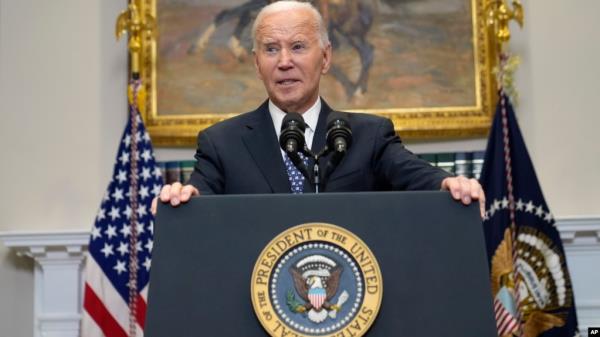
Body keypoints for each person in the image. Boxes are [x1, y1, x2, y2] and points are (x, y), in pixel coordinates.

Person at [153, 0, 485, 215]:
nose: (284, 62)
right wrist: (184, 198)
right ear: (257, 64)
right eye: (271, 49)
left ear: (325, 58)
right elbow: (200, 192)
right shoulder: (221, 142)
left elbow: (416, 175)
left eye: (298, 47)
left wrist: (449, 184)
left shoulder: (368, 135)